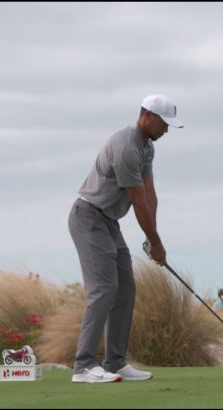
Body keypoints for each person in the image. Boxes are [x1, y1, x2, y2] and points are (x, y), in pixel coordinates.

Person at [68, 94, 183, 383]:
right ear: (146, 115)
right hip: (88, 217)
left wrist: (153, 237)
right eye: (163, 123)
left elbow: (149, 194)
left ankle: (115, 363)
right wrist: (155, 243)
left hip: (109, 222)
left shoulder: (147, 148)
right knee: (104, 289)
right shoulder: (126, 148)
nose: (166, 130)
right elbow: (138, 201)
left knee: (125, 289)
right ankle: (83, 366)